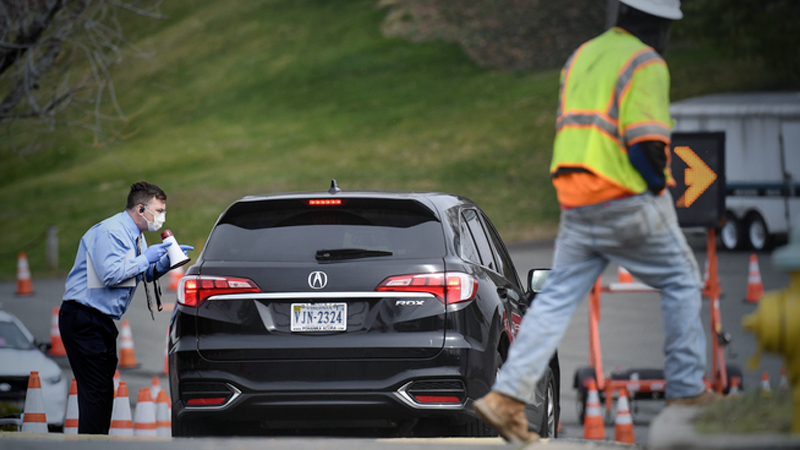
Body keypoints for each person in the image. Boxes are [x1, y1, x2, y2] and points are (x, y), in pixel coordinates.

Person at [474, 0, 718, 442]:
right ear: (657, 24)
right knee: (683, 278)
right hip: (621, 196)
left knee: (555, 299)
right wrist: (659, 191)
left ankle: (505, 396)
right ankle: (685, 389)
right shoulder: (646, 63)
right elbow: (648, 146)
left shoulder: (582, 55)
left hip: (575, 198)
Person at [59, 181, 193, 434]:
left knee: (100, 390)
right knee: (96, 391)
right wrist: (145, 257)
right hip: (84, 318)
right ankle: (92, 442)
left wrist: (164, 264)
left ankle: (94, 439)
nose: (162, 217)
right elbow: (111, 275)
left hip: (98, 321)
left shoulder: (135, 235)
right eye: (159, 210)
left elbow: (138, 273)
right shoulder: (112, 232)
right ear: (141, 209)